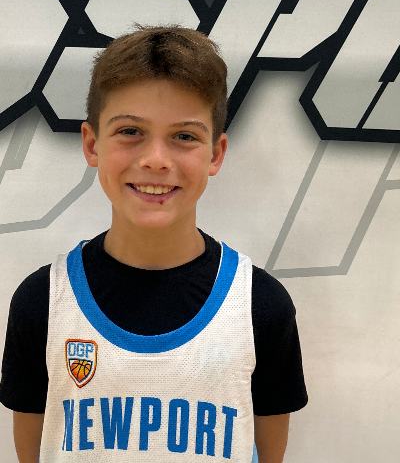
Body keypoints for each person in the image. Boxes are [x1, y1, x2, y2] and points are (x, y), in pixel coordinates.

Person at [0, 26, 307, 462]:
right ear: (92, 144)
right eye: (130, 131)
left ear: (215, 153)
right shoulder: (43, 302)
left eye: (184, 136)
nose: (156, 159)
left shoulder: (261, 306)